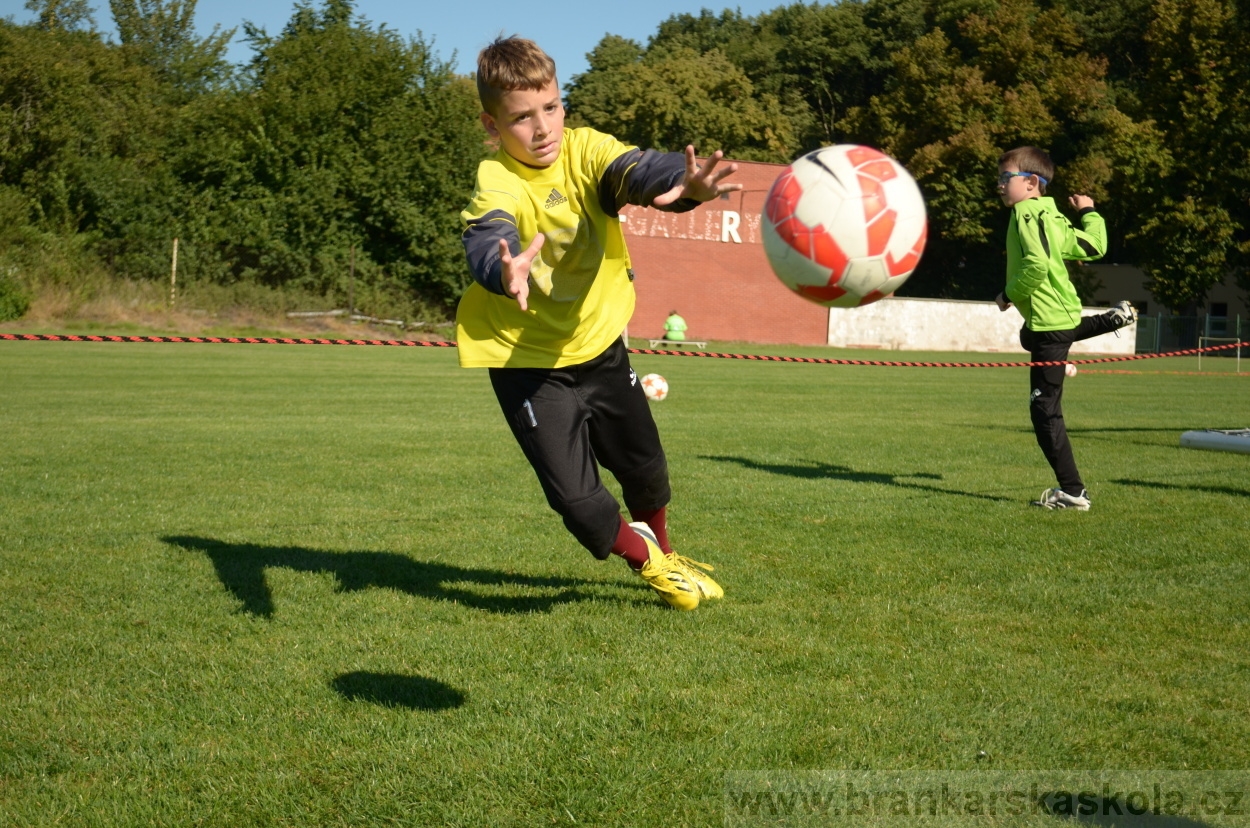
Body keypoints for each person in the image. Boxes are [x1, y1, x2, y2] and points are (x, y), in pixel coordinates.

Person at [455, 36, 741, 609]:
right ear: (492, 124)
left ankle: (664, 552)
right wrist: (502, 269)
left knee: (647, 471)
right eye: (520, 118)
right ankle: (650, 562)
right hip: (527, 363)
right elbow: (489, 230)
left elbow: (634, 169)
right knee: (583, 508)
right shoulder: (499, 178)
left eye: (551, 108)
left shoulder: (586, 150)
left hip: (601, 347)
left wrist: (682, 187)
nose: (542, 129)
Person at [993, 146, 1136, 511]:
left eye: (1004, 178)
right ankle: (1113, 318)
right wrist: (1088, 211)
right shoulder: (1052, 217)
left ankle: (1073, 491)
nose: (999, 185)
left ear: (1030, 183)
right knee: (1034, 336)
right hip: (1058, 318)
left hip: (1050, 324)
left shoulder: (1026, 213)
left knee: (1044, 413)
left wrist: (1008, 294)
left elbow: (1037, 265)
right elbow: (1095, 246)